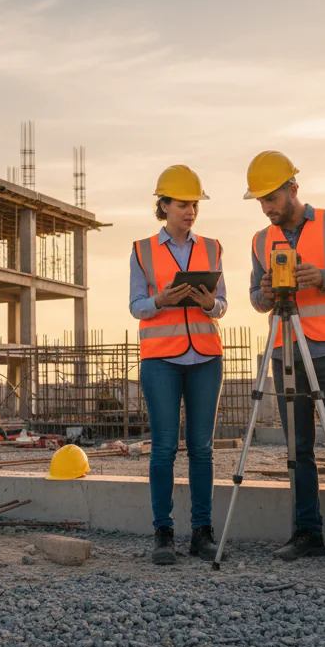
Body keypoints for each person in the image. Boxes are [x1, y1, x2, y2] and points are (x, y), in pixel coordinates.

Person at [244, 150, 325, 564]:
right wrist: (266, 292)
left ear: (293, 190)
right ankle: (308, 533)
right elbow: (256, 299)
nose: (267, 208)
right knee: (296, 449)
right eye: (261, 201)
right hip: (287, 353)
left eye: (272, 198)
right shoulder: (260, 240)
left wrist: (322, 277)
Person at [130, 165, 227, 565]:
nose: (190, 211)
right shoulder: (142, 250)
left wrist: (210, 304)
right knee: (164, 448)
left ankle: (202, 533)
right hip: (161, 361)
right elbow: (136, 305)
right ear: (164, 205)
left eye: (194, 204)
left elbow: (222, 305)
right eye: (183, 204)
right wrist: (161, 302)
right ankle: (163, 533)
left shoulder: (213, 247)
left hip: (205, 357)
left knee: (202, 449)